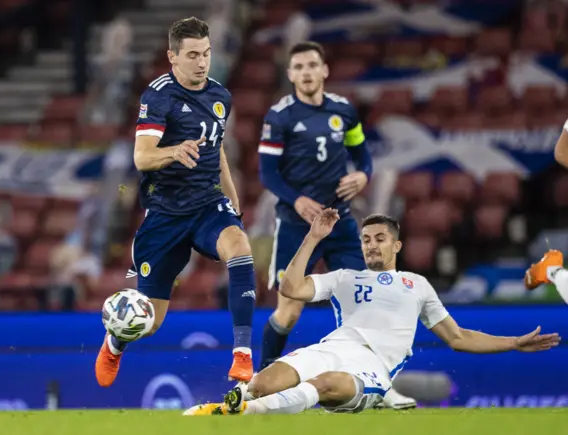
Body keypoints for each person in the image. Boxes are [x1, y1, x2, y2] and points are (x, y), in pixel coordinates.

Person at [185, 210, 560, 415]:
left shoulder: (417, 285)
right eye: (366, 240)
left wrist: (513, 342)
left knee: (326, 384)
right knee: (263, 382)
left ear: (397, 244)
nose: (371, 246)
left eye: (380, 239)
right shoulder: (345, 277)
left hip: (371, 365)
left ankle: (238, 413)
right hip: (331, 347)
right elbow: (291, 289)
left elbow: (458, 337)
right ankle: (232, 406)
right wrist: (313, 237)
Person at [256, 40, 418, 409]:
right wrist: (296, 199)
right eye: (298, 67)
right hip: (296, 226)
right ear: (290, 74)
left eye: (313, 65)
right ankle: (262, 381)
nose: (306, 72)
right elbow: (267, 172)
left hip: (341, 221)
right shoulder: (278, 116)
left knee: (369, 302)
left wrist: (362, 175)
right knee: (289, 309)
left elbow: (362, 155)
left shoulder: (344, 111)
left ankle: (381, 386)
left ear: (325, 70)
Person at [95, 17, 256, 387]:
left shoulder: (220, 97)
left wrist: (231, 199)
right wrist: (173, 151)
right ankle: (115, 343)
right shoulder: (158, 97)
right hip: (165, 215)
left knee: (240, 248)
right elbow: (142, 158)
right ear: (173, 57)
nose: (202, 62)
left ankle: (243, 354)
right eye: (194, 55)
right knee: (150, 323)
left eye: (207, 53)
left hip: (206, 205)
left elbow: (216, 153)